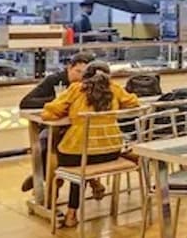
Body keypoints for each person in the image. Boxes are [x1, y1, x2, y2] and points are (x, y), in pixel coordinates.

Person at [41, 61, 140, 227]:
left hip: (77, 155)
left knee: (65, 154)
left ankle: (65, 208)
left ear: (85, 76)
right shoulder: (114, 89)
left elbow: (49, 113)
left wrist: (69, 113)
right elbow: (134, 102)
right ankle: (93, 186)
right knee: (85, 158)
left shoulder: (76, 89)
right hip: (110, 152)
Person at [18, 52, 95, 192]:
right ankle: (45, 178)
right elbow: (25, 103)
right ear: (69, 68)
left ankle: (50, 179)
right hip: (53, 127)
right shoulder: (54, 80)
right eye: (77, 71)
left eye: (85, 74)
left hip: (80, 130)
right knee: (46, 143)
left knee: (84, 144)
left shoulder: (91, 84)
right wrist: (58, 100)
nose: (80, 77)